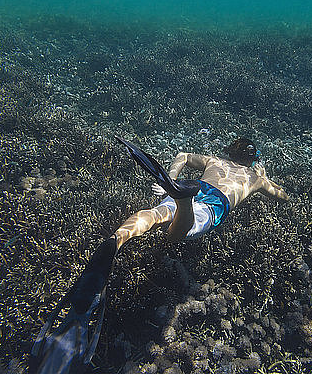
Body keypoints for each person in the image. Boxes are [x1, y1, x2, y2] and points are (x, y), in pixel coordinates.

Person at [30, 137, 289, 374]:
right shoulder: (256, 179)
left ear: (230, 152)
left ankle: (117, 238)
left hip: (198, 184)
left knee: (155, 214)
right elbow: (282, 197)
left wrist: (169, 178)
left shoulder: (215, 161)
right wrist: (262, 177)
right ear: (252, 160)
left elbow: (184, 154)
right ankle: (183, 200)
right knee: (176, 234)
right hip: (216, 202)